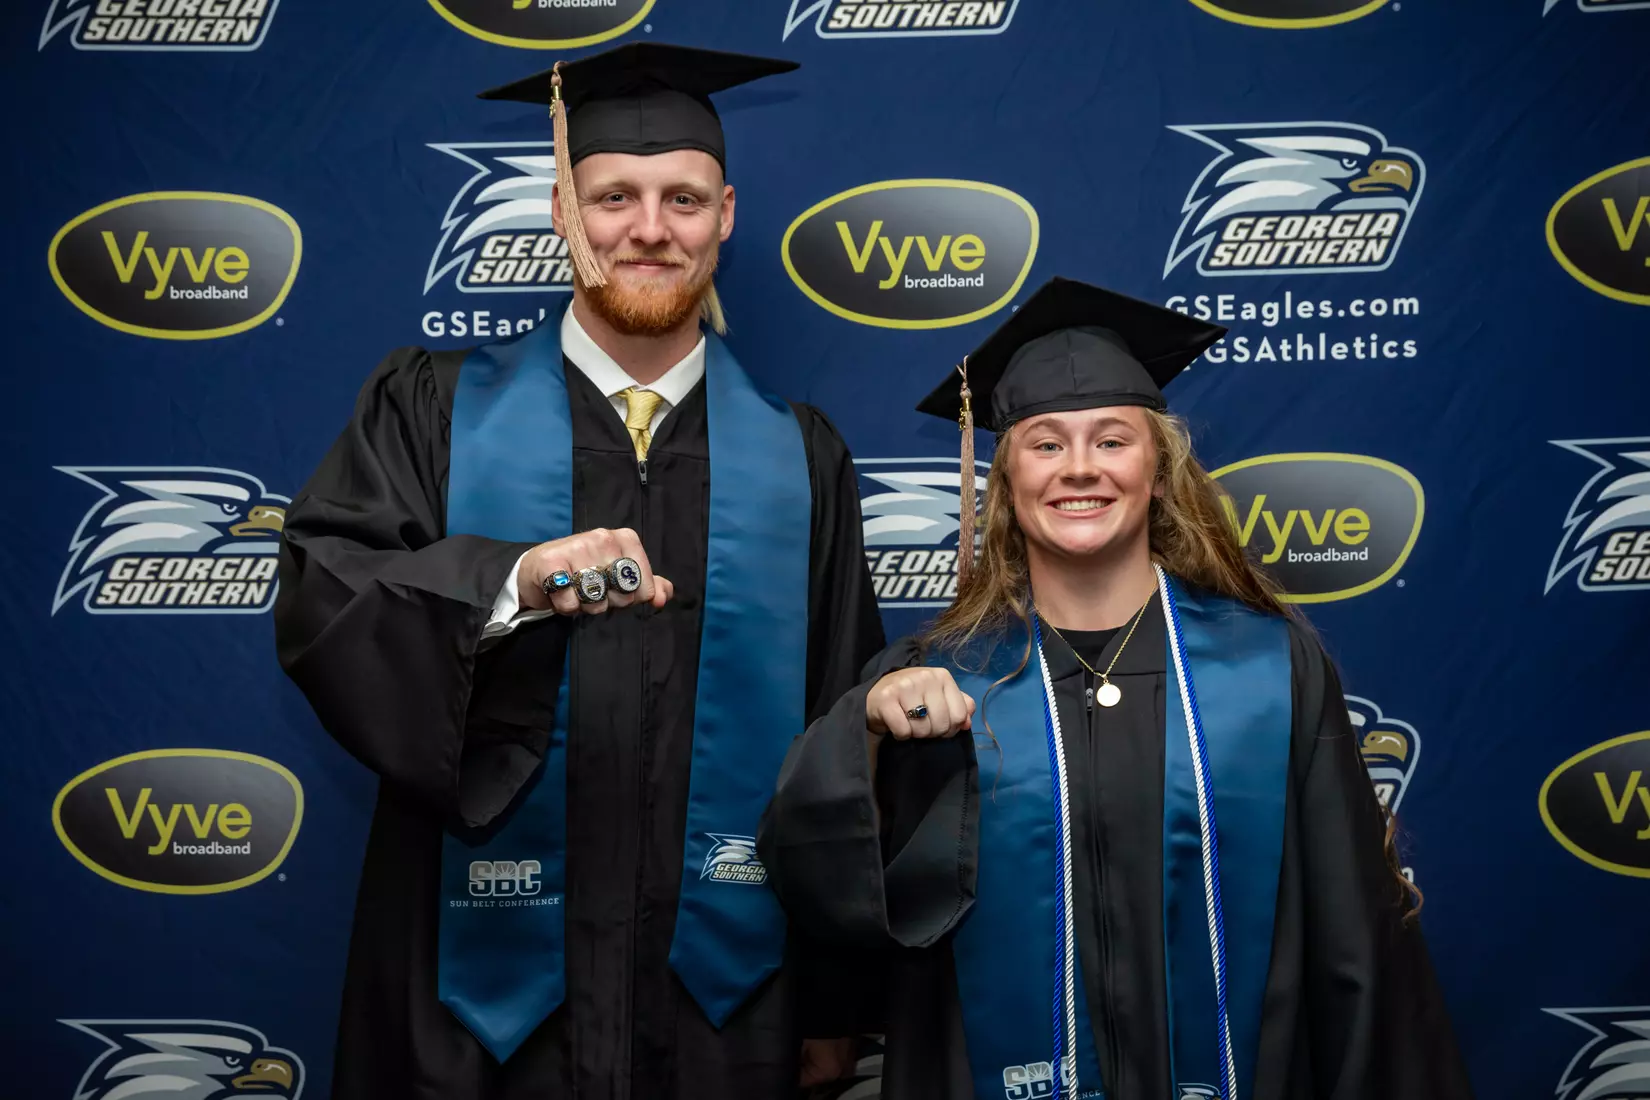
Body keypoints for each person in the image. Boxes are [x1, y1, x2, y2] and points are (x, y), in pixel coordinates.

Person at [274, 42, 884, 1100]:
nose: (650, 228)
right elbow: (326, 591)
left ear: (726, 215)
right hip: (475, 1005)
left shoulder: (801, 457)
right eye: (615, 196)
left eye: (683, 197)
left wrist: (832, 999)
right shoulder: (433, 410)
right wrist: (512, 586)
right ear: (562, 208)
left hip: (723, 1001)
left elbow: (839, 732)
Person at [757, 277, 1475, 1100]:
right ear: (1007, 480)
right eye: (1047, 444)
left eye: (1111, 440)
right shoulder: (940, 680)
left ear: (1160, 472)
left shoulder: (1268, 669)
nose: (1080, 470)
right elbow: (813, 885)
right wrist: (868, 737)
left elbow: (1354, 937)